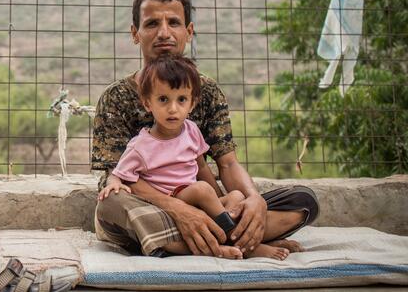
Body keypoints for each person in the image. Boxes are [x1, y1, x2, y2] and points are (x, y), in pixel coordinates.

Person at [92, 0, 319, 259]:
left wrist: (254, 200)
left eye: (174, 23)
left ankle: (205, 237)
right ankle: (238, 241)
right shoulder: (116, 97)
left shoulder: (207, 91)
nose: (164, 33)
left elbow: (228, 163)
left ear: (188, 32)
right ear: (135, 33)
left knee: (303, 202)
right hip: (148, 207)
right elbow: (117, 178)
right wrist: (179, 210)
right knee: (110, 204)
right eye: (152, 24)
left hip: (204, 204)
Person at [98, 54, 289, 260]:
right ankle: (235, 243)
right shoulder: (141, 145)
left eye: (181, 100)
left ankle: (229, 233)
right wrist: (113, 183)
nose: (173, 108)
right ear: (147, 103)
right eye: (163, 99)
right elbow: (121, 174)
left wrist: (218, 200)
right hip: (168, 203)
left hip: (198, 200)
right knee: (199, 189)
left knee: (236, 196)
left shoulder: (191, 131)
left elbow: (202, 167)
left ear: (192, 103)